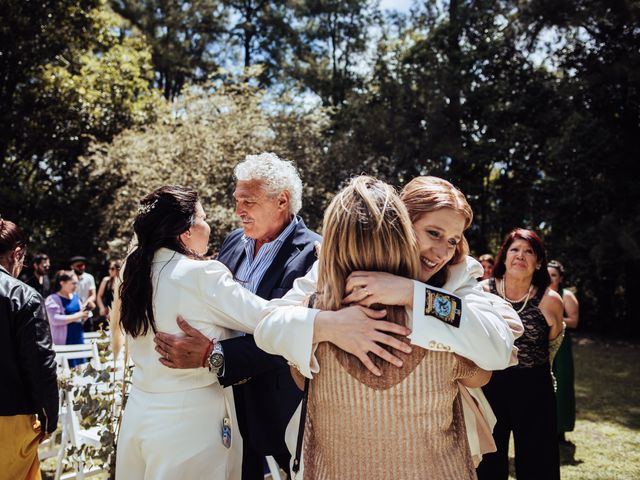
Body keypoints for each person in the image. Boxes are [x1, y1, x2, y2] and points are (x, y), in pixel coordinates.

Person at [254, 176, 523, 475]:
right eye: (433, 233)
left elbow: (497, 349)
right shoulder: (334, 267)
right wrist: (330, 324)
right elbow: (267, 325)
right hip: (336, 456)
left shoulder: (459, 276)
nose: (442, 251)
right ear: (400, 223)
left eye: (453, 240)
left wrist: (414, 294)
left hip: (432, 458)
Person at [153, 153, 321, 479]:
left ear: (282, 201)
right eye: (237, 200)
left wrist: (215, 355)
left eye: (248, 201)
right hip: (218, 405)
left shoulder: (314, 254)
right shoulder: (232, 241)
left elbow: (291, 331)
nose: (237, 211)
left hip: (276, 410)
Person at [114, 185, 268, 480]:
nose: (209, 225)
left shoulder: (132, 271)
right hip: (191, 426)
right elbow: (268, 319)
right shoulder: (201, 275)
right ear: (186, 230)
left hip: (139, 416)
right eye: (204, 217)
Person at [476, 228, 564, 480]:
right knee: (487, 461)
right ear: (504, 257)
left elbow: (552, 342)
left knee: (538, 462)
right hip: (488, 384)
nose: (520, 256)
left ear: (538, 263)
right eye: (514, 249)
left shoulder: (550, 301)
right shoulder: (481, 293)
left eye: (529, 252)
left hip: (534, 387)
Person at [0, 218, 59, 479]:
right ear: (17, 253)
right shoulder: (22, 296)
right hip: (9, 417)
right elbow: (40, 363)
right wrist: (48, 418)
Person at [548, 259, 579, 442]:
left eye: (553, 275)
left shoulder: (566, 295)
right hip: (543, 343)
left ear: (560, 278)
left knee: (562, 383)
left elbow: (574, 320)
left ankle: (561, 428)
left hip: (562, 344)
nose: (550, 278)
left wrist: (554, 319)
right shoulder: (537, 292)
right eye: (547, 274)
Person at [45, 270, 91, 365]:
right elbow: (54, 319)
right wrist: (78, 315)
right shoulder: (52, 299)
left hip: (78, 338)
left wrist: (86, 313)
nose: (76, 286)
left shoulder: (76, 297)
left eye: (77, 283)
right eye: (73, 283)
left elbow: (82, 318)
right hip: (63, 342)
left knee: (81, 367)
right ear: (62, 283)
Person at [69, 255, 97, 332]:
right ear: (72, 266)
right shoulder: (68, 278)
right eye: (79, 265)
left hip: (87, 313)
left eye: (83, 265)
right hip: (72, 314)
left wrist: (84, 305)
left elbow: (93, 295)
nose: (82, 267)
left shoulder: (89, 277)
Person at [96, 259, 121, 331]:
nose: (110, 270)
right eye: (109, 268)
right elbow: (99, 296)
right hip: (107, 312)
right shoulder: (106, 280)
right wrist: (101, 307)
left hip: (118, 312)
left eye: (112, 268)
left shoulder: (123, 282)